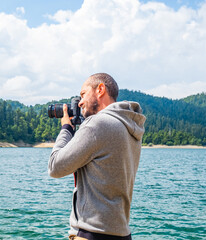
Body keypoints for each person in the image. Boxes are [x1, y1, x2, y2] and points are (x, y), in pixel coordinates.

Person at [48, 73, 146, 240]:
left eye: (83, 94)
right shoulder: (129, 127)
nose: (79, 102)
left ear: (100, 89)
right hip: (121, 233)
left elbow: (55, 167)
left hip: (91, 233)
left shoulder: (98, 124)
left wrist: (66, 128)